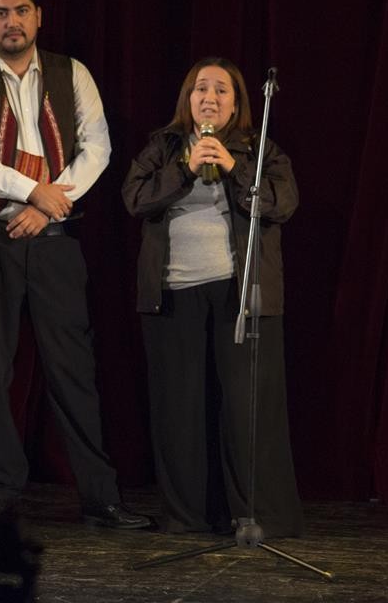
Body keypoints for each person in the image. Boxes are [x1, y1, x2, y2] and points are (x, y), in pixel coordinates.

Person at [0, 0, 149, 530]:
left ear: (38, 16)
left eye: (21, 11)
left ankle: (100, 498)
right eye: (0, 13)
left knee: (73, 369)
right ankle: (1, 492)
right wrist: (33, 191)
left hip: (53, 241)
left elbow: (97, 146)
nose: (13, 22)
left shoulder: (71, 73)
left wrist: (49, 207)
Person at [121, 57, 303, 538]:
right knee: (180, 409)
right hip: (172, 293)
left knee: (245, 408)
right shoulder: (164, 148)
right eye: (201, 88)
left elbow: (282, 203)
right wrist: (184, 169)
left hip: (239, 293)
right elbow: (135, 199)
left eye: (222, 90)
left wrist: (233, 168)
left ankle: (256, 515)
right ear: (188, 98)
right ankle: (187, 516)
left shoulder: (258, 151)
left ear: (236, 104)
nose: (210, 97)